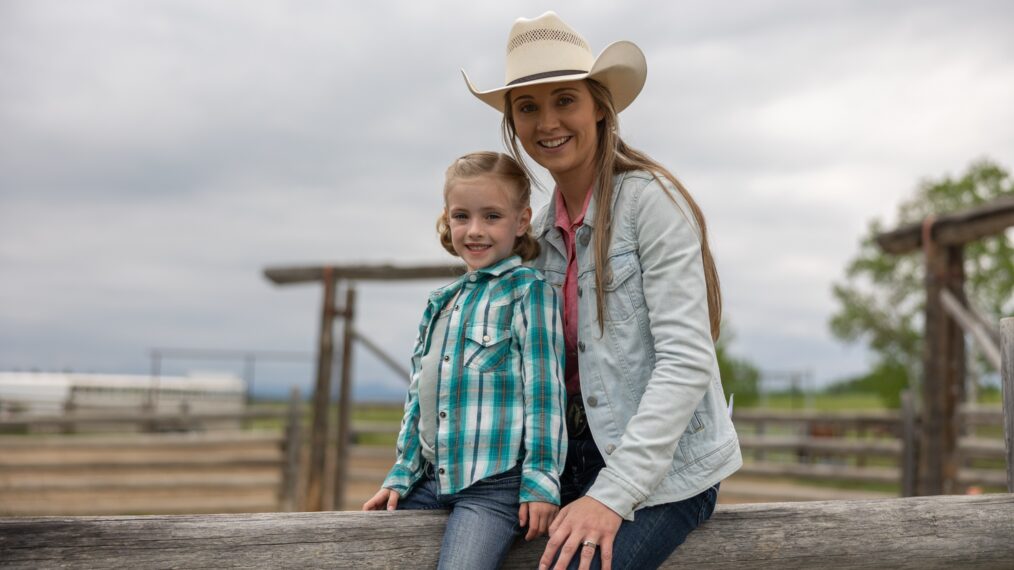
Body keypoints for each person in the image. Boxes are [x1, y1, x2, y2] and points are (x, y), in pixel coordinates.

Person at [462, 12, 743, 570]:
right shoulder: (537, 232)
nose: (547, 122)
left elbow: (686, 362)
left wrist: (611, 494)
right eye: (528, 107)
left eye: (564, 99)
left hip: (663, 470)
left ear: (598, 105)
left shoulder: (650, 203)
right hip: (570, 459)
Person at [363, 151, 568, 570]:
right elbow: (419, 396)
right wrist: (401, 474)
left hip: (493, 488)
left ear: (522, 221)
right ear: (448, 219)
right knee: (366, 551)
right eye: (462, 216)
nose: (475, 230)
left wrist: (541, 484)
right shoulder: (442, 301)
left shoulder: (528, 292)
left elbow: (545, 395)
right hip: (430, 481)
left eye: (492, 216)